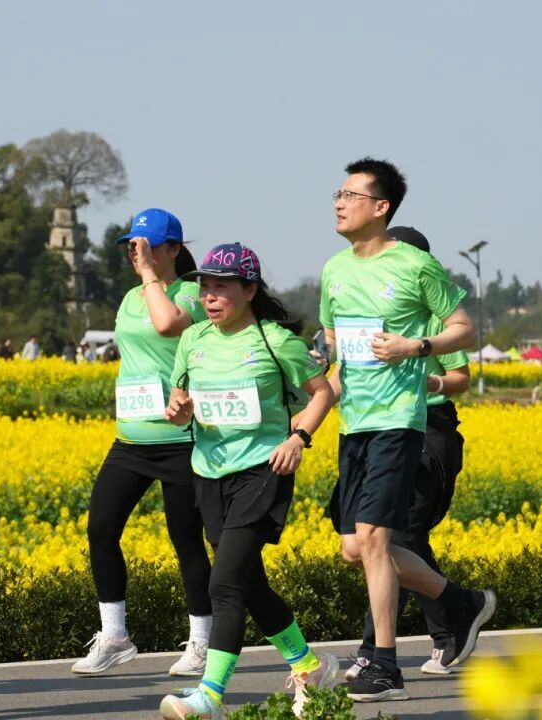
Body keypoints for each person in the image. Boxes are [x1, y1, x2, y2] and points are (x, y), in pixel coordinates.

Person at [320, 158, 495, 702]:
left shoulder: (417, 267)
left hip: (399, 420)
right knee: (354, 548)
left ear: (381, 207)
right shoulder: (333, 270)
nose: (339, 203)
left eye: (351, 195)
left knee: (376, 539)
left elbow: (463, 328)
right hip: (355, 423)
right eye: (337, 193)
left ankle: (384, 663)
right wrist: (306, 413)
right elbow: (335, 349)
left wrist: (415, 347)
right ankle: (460, 602)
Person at [159, 243, 339, 720]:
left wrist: (298, 437)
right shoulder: (193, 339)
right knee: (249, 584)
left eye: (221, 287)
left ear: (250, 290)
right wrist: (178, 411)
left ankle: (209, 696)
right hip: (208, 473)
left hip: (263, 470)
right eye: (204, 287)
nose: (209, 297)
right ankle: (310, 666)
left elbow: (322, 394)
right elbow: (181, 402)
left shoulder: (277, 341)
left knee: (224, 585)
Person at [72, 209, 214, 678]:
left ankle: (201, 643)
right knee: (100, 528)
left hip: (180, 438)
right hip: (131, 438)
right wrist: (147, 277)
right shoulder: (131, 297)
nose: (138, 255)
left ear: (173, 249)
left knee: (186, 541)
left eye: (147, 246)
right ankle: (115, 635)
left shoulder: (190, 292)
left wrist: (153, 275)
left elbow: (168, 326)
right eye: (132, 247)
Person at [341, 226, 472, 679]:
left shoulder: (434, 320)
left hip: (428, 427)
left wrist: (426, 378)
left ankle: (384, 649)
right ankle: (456, 614)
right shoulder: (364, 314)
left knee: (397, 536)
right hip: (375, 427)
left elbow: (461, 378)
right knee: (373, 543)